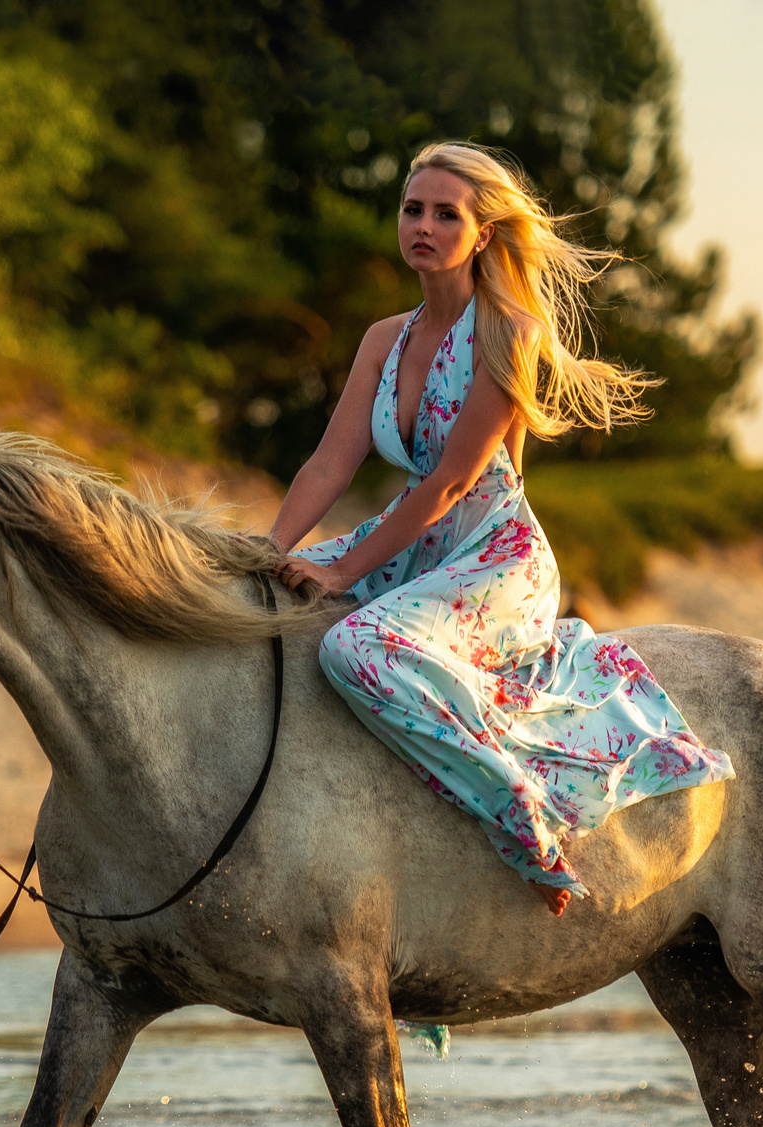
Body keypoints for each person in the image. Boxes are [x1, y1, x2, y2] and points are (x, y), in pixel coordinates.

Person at [267, 141, 735, 917]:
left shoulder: (507, 330)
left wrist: (343, 575)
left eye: (447, 213)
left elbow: (453, 481)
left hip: (495, 556)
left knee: (352, 645)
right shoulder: (383, 339)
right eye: (412, 209)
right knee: (265, 604)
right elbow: (328, 464)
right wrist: (271, 549)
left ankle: (518, 809)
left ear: (483, 233)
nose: (423, 225)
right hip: (412, 541)